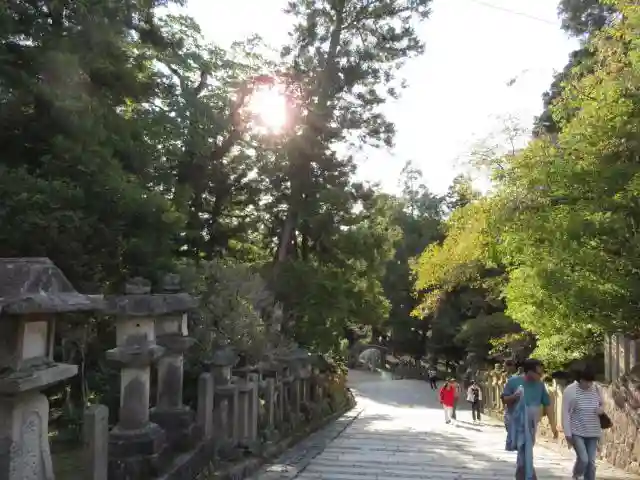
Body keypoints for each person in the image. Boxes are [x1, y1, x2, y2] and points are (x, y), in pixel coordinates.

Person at [502, 358, 558, 480]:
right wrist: (514, 396)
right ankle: (530, 476)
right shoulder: (513, 381)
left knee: (524, 450)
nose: (541, 375)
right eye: (539, 373)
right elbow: (504, 399)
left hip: (531, 424)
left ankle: (521, 475)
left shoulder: (540, 385)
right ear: (529, 372)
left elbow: (548, 405)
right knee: (524, 448)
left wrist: (553, 427)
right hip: (515, 422)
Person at [562, 365, 603, 480]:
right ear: (580, 379)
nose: (589, 384)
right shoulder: (570, 390)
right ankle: (576, 474)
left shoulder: (597, 389)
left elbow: (603, 404)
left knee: (591, 463)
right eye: (586, 381)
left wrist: (601, 409)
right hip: (577, 431)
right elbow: (565, 413)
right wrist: (568, 434)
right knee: (584, 459)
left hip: (593, 431)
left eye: (591, 382)